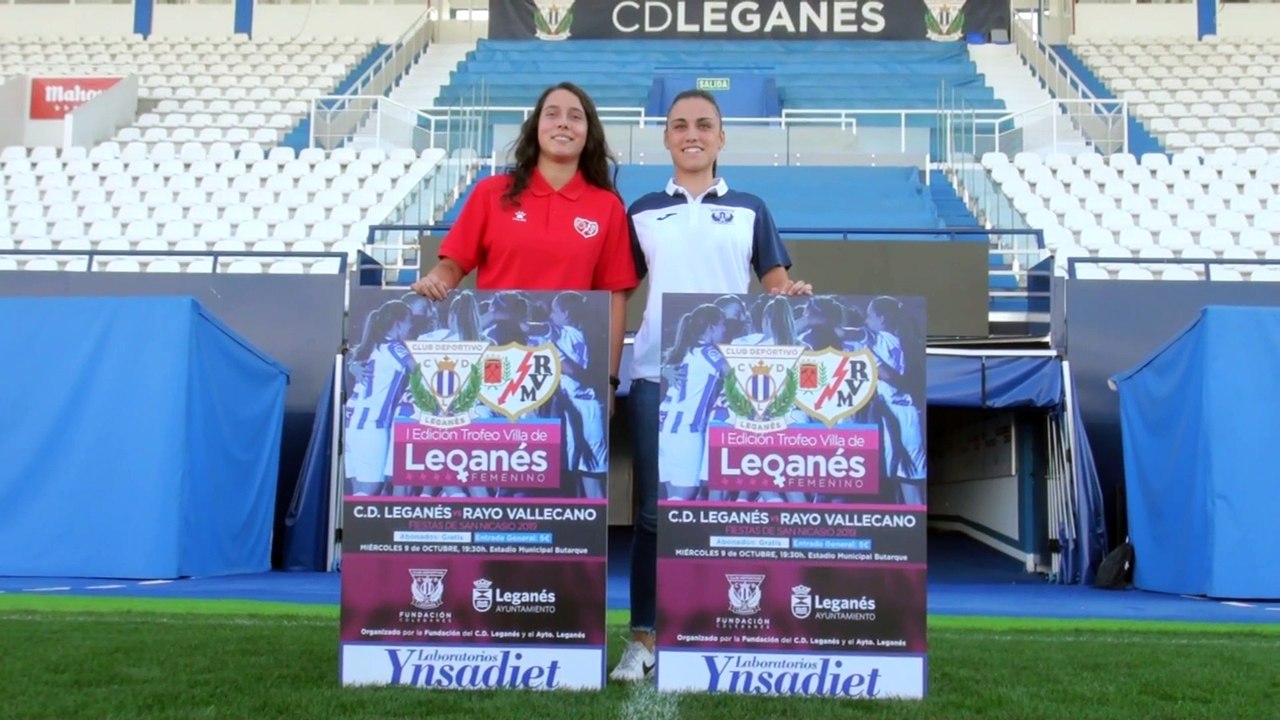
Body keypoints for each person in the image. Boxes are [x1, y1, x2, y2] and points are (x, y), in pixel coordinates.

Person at [610, 89, 813, 683]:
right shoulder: (643, 209)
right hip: (655, 375)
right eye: (679, 126)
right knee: (653, 514)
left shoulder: (751, 207)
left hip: (731, 383)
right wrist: (612, 369)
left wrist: (790, 296)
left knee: (730, 510)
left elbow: (775, 284)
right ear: (666, 138)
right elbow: (621, 289)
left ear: (722, 138)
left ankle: (723, 625)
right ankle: (643, 637)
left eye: (704, 125)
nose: (691, 134)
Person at [410, 81, 637, 405]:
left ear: (589, 133)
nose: (562, 122)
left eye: (575, 116)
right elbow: (453, 263)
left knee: (562, 455)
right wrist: (435, 280)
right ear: (535, 128)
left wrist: (610, 381)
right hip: (494, 363)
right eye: (552, 114)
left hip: (567, 370)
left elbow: (614, 298)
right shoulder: (491, 193)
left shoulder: (608, 207)